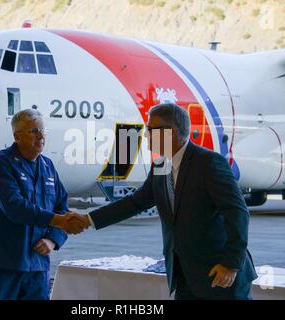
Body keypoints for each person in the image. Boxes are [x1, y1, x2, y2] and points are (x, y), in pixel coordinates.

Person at [74, 103, 257, 300]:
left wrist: (231, 264)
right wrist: (88, 220)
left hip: (219, 274)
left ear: (171, 132)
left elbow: (237, 213)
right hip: (184, 275)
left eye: (151, 130)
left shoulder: (208, 163)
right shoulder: (161, 165)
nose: (146, 136)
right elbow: (136, 202)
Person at [0, 109, 86, 300]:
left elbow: (61, 206)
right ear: (17, 136)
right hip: (3, 265)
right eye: (33, 131)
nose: (41, 136)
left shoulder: (48, 167)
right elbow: (15, 207)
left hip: (37, 268)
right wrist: (59, 221)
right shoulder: (2, 163)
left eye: (42, 130)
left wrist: (53, 240)